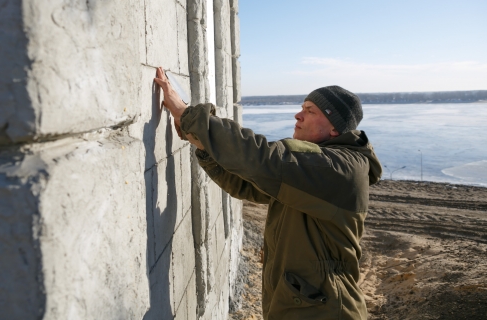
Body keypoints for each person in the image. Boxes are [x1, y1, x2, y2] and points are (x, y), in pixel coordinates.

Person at [154, 67, 382, 320]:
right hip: (306, 302)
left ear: (335, 129)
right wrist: (203, 143)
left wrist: (190, 116)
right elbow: (249, 183)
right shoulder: (318, 171)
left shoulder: (339, 168)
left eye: (309, 111)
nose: (298, 116)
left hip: (324, 310)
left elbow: (264, 159)